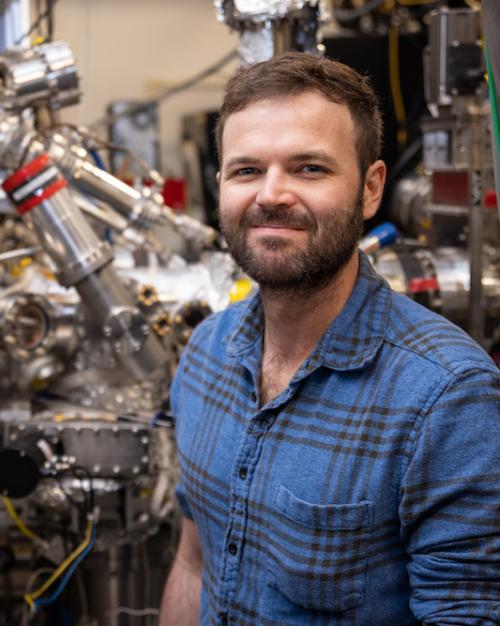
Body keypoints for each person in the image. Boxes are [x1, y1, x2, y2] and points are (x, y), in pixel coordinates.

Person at [159, 52, 500, 626]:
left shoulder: (449, 397)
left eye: (309, 169)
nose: (272, 195)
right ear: (219, 184)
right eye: (246, 170)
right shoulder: (204, 355)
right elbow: (194, 564)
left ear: (370, 189)